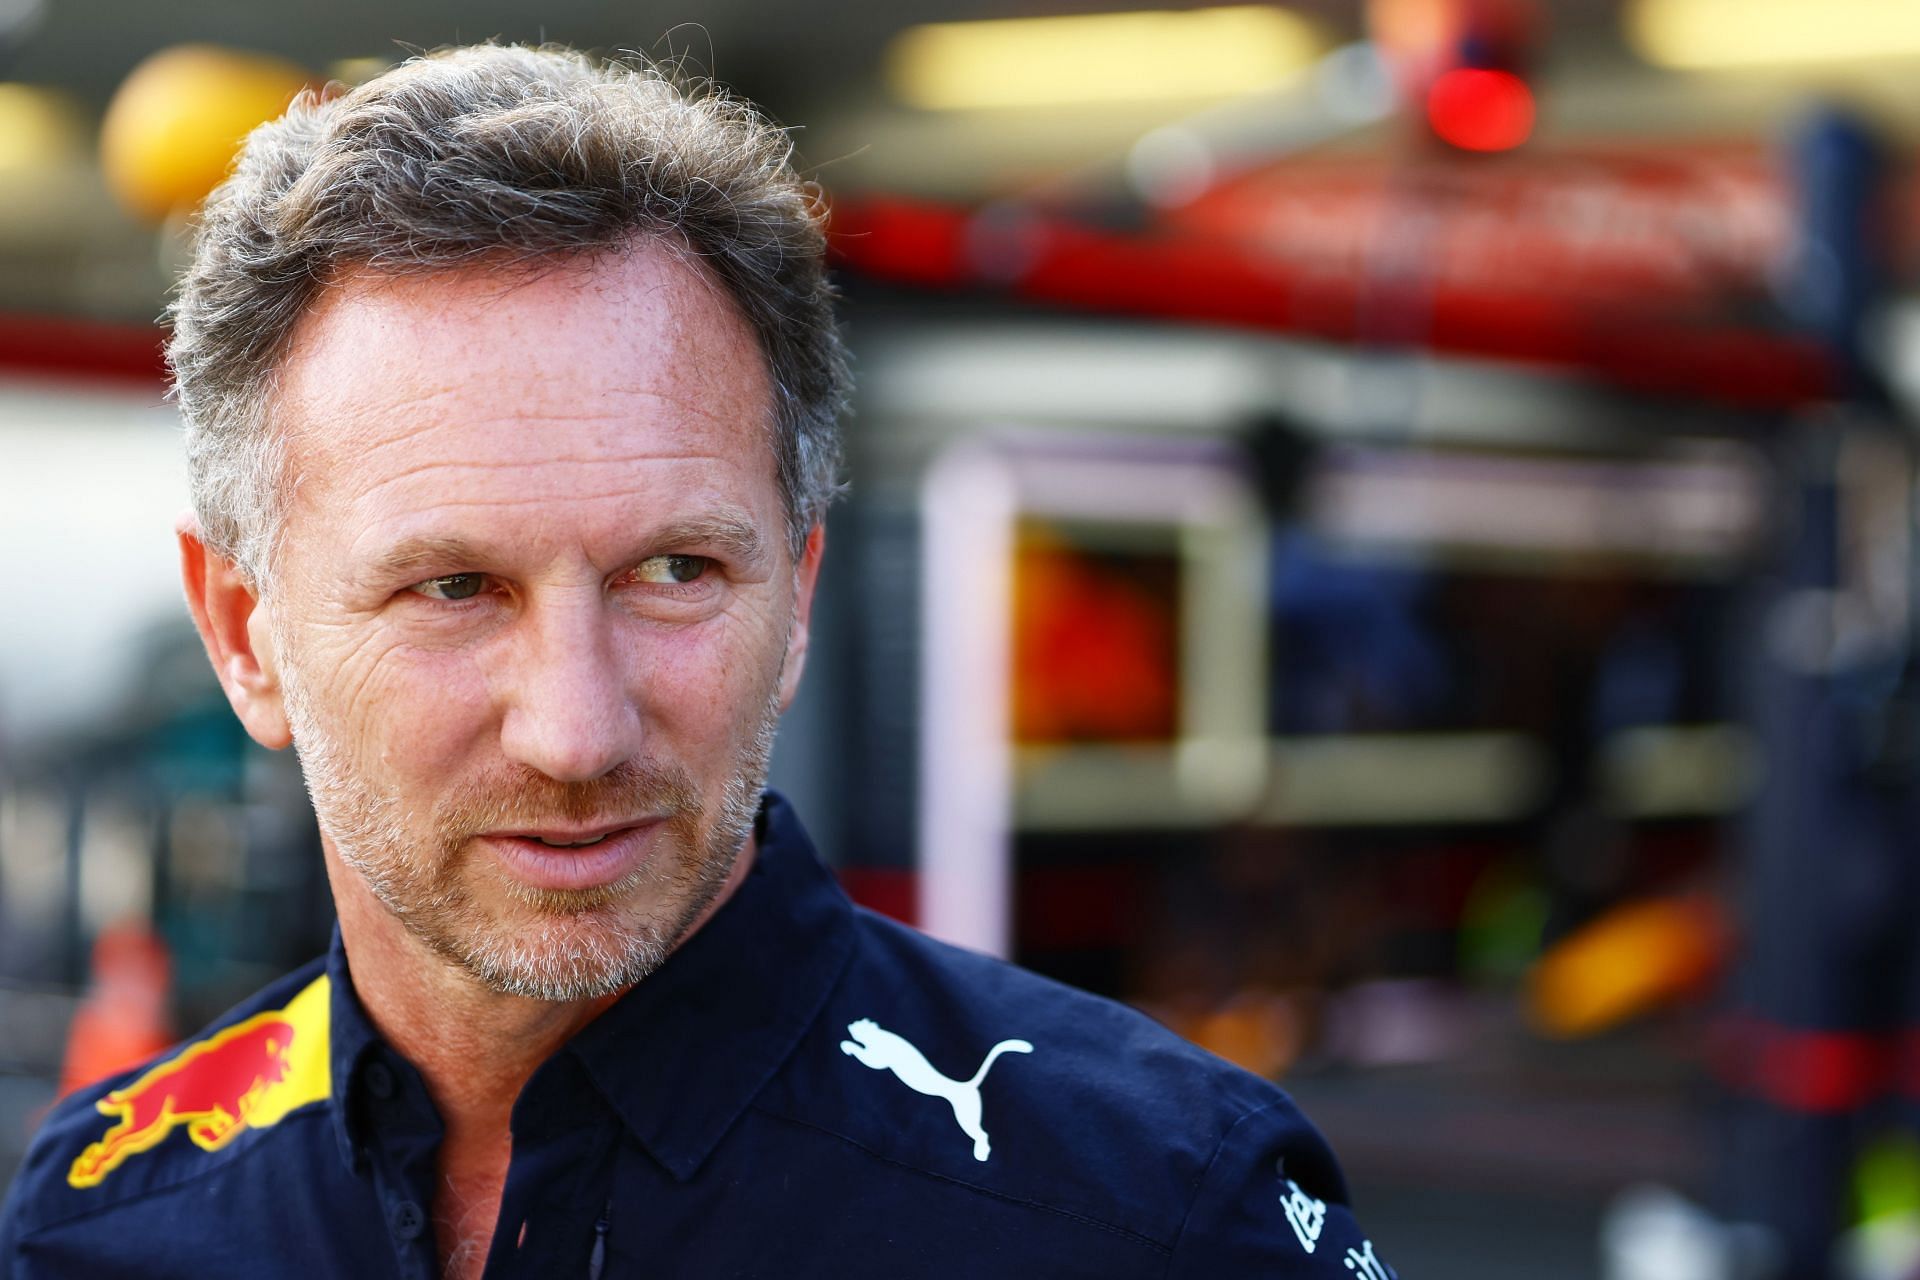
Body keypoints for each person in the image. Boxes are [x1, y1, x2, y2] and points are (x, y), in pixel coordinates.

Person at [0, 44, 1394, 1279]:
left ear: (795, 596)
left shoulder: (1163, 1215)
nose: (577, 731)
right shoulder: (102, 1217)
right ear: (245, 633)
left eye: (674, 572)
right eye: (455, 588)